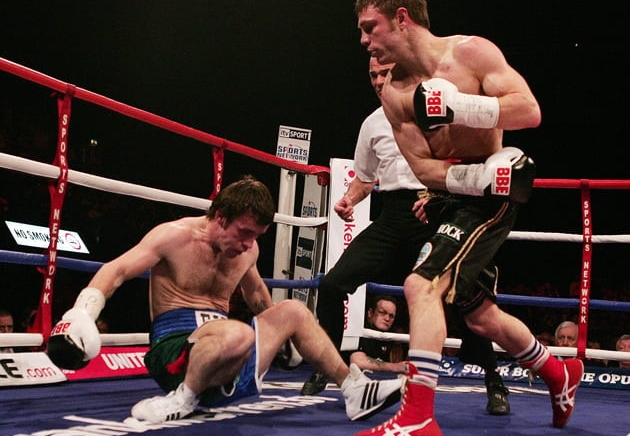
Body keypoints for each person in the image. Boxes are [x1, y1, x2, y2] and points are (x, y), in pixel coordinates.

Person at [353, 0, 583, 435]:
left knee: (420, 286)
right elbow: (423, 169)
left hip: (491, 199)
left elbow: (528, 110)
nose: (363, 40)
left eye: (369, 26)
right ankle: (559, 372)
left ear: (401, 18)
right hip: (458, 194)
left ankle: (417, 417)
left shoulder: (471, 53)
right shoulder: (396, 94)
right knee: (479, 315)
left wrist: (461, 108)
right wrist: (473, 178)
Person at [47, 176, 402, 424]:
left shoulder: (248, 249)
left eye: (257, 236)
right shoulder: (175, 236)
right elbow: (118, 269)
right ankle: (181, 399)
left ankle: (353, 389)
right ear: (219, 217)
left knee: (292, 310)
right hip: (176, 353)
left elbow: (256, 294)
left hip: (230, 357)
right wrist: (83, 311)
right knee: (237, 333)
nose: (249, 244)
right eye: (244, 232)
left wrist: (286, 337)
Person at [302, 56, 511, 416]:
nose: (379, 80)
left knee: (467, 299)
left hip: (437, 212)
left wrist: (447, 200)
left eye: (386, 72)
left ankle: (494, 380)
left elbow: (467, 162)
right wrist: (349, 199)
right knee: (333, 283)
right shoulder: (371, 124)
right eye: (372, 74)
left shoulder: (437, 111)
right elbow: (366, 177)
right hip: (393, 217)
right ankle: (330, 368)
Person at [349, 295, 407, 373]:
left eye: (391, 316)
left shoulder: (394, 338)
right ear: (370, 313)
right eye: (382, 312)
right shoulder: (360, 331)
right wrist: (394, 367)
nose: (387, 319)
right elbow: (357, 360)